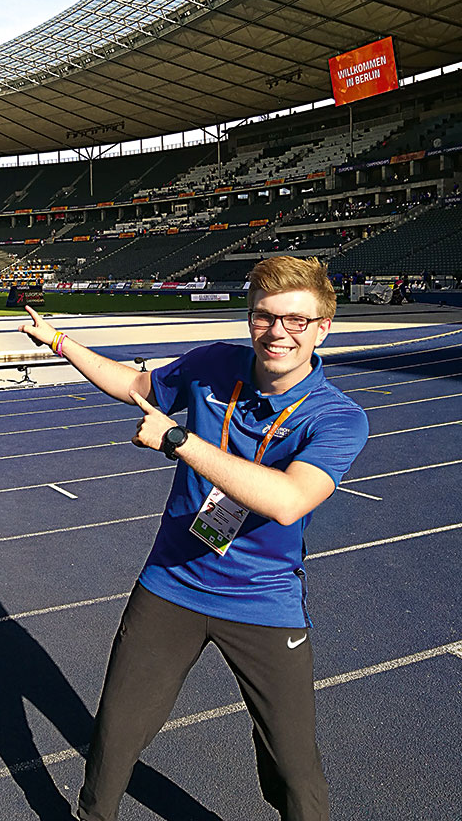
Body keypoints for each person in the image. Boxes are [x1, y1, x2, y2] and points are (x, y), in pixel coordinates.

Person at [19, 256, 369, 821]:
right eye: (264, 316)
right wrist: (59, 341)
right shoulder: (213, 366)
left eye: (296, 320)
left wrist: (178, 438)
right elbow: (135, 386)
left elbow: (287, 501)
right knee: (116, 734)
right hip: (171, 584)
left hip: (264, 600)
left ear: (322, 327)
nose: (277, 332)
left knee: (293, 766)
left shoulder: (337, 418)